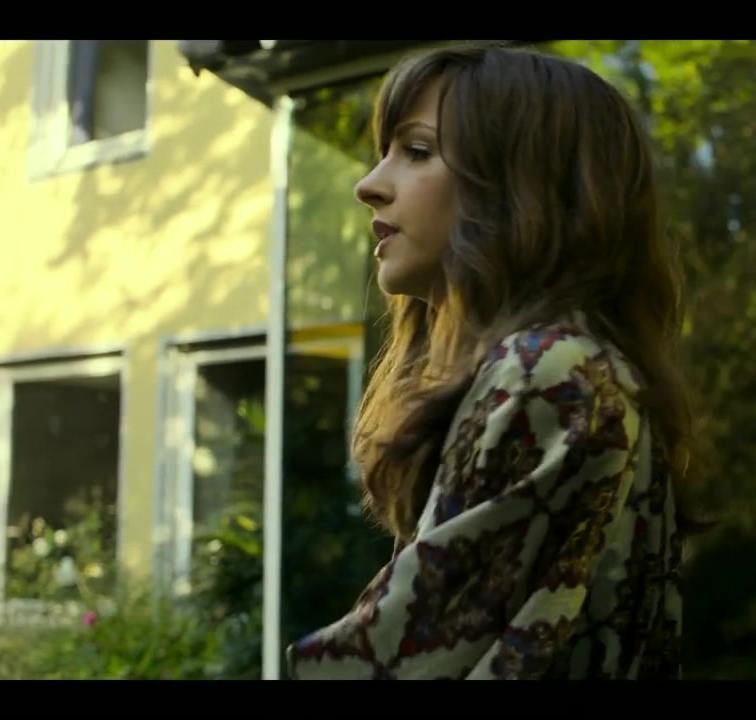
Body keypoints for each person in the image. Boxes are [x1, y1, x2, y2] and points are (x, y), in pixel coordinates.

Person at [285, 43, 702, 680]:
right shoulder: (559, 368)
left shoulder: (549, 374)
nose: (368, 185)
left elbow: (394, 664)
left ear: (519, 186)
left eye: (417, 151)